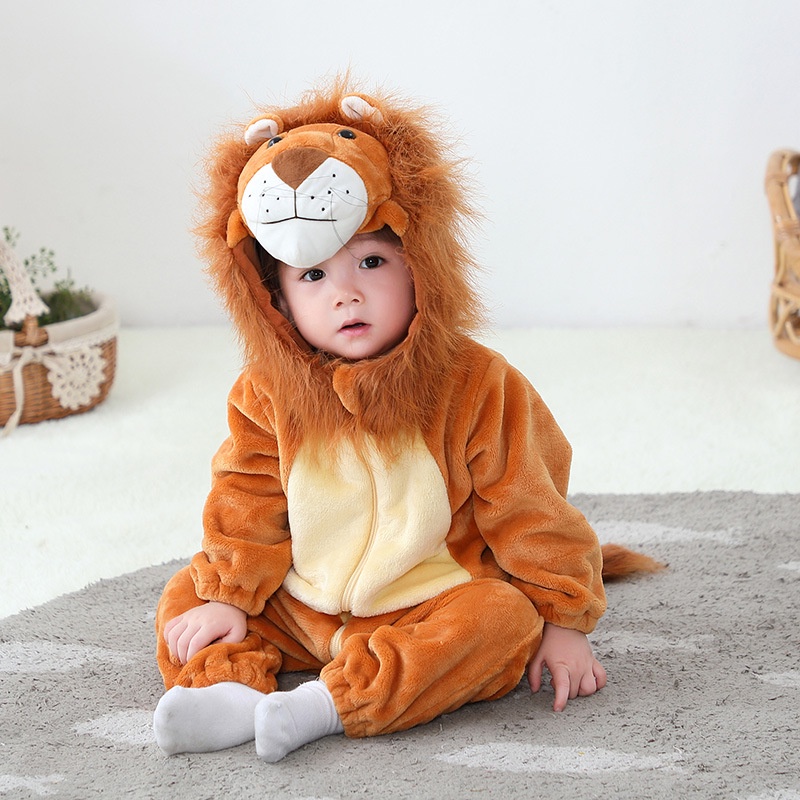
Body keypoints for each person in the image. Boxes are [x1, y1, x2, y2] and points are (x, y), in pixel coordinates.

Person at [152, 80, 655, 763]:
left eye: (371, 261)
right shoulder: (265, 393)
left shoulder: (478, 383)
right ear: (275, 299)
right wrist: (229, 598)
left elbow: (531, 508)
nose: (346, 293)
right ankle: (227, 691)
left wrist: (565, 621)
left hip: (428, 605)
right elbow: (245, 503)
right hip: (301, 606)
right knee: (190, 593)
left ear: (420, 265)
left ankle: (330, 705)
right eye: (312, 276)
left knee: (505, 619)